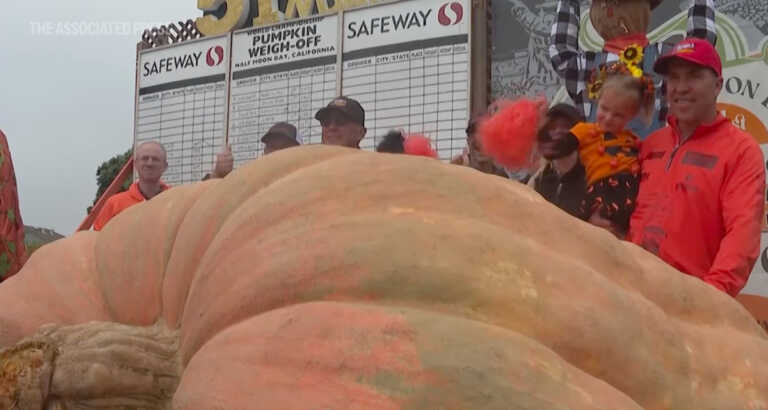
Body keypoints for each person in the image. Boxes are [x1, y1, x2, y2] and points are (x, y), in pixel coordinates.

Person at [629, 38, 765, 297]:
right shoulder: (651, 145)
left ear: (717, 85)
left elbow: (742, 235)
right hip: (630, 294)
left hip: (687, 305)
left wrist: (709, 299)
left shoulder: (741, 151)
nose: (680, 88)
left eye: (693, 76)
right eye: (674, 78)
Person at [549, 0, 716, 139]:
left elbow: (699, 48)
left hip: (653, 169)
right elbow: (560, 51)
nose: (612, 11)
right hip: (599, 171)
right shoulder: (585, 66)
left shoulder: (662, 59)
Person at [561, 53, 656, 237]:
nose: (609, 118)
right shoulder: (584, 132)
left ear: (631, 115)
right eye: (604, 109)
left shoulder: (635, 143)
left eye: (618, 115)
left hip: (625, 215)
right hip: (593, 201)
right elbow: (559, 155)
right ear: (598, 100)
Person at [528, 103, 588, 220]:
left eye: (566, 126)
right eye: (552, 127)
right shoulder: (539, 180)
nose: (558, 132)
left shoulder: (591, 180)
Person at [93, 141, 170, 231]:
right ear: (136, 164)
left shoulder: (176, 200)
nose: (149, 163)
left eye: (155, 159)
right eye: (145, 158)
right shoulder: (114, 204)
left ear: (165, 166)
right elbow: (98, 239)